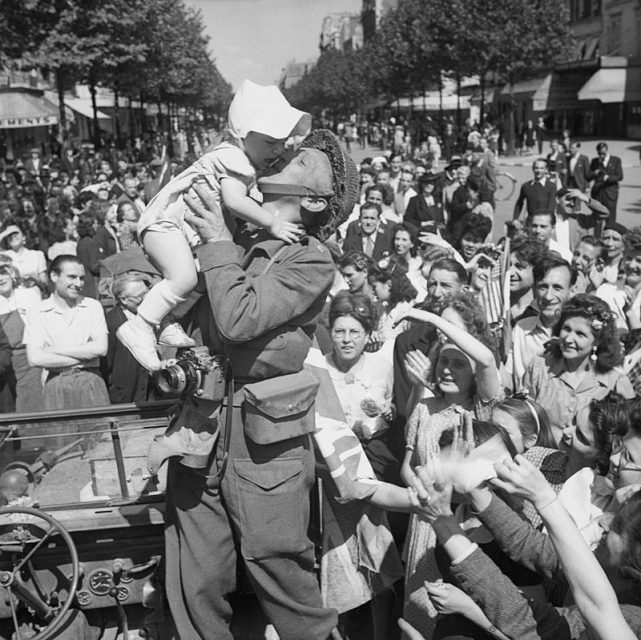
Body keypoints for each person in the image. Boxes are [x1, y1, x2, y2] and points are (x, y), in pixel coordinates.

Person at [162, 130, 359, 640]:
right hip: (199, 425)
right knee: (194, 582)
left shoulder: (310, 258)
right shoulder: (236, 228)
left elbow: (239, 319)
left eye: (297, 159)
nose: (280, 155)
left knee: (282, 574)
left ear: (314, 199)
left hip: (263, 444)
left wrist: (215, 243)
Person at [118, 79, 311, 372]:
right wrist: (272, 221)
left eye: (281, 142)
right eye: (270, 143)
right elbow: (235, 201)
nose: (276, 150)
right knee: (183, 278)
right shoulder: (237, 160)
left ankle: (167, 319)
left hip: (175, 228)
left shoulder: (234, 155)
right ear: (243, 135)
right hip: (166, 225)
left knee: (198, 277)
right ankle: (141, 325)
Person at [522, 294, 634, 444]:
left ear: (598, 341)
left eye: (580, 334)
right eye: (566, 329)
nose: (568, 339)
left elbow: (629, 437)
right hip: (539, 459)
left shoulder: (615, 382)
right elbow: (524, 420)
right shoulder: (539, 367)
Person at [23, 255, 110, 410]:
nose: (78, 284)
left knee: (100, 432)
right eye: (72, 277)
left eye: (82, 278)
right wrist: (87, 357)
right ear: (54, 276)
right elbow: (35, 359)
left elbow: (101, 348)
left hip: (91, 381)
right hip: (56, 384)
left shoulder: (93, 306)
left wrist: (54, 350)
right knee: (62, 433)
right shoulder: (37, 312)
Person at [504, 254, 575, 389]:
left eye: (557, 288)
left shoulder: (580, 335)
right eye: (543, 287)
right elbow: (508, 381)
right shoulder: (521, 328)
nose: (548, 296)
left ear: (571, 291)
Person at [102, 273, 153, 404]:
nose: (146, 299)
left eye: (147, 293)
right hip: (124, 399)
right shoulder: (112, 323)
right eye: (140, 296)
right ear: (123, 300)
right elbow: (106, 366)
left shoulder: (149, 316)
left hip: (148, 396)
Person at [0, 264, 43, 412]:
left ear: (12, 274)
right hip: (5, 364)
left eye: (3, 272)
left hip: (29, 359)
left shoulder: (29, 295)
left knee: (33, 404)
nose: (0, 278)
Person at [512, 159, 557, 227]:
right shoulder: (526, 186)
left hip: (544, 223)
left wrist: (548, 223)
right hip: (530, 223)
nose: (538, 171)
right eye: (536, 168)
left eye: (541, 168)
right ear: (533, 169)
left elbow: (551, 207)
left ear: (546, 170)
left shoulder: (551, 186)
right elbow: (519, 202)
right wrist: (515, 218)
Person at [588, 142, 623, 221]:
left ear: (607, 150)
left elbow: (620, 176)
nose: (601, 156)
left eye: (603, 153)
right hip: (597, 194)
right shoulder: (595, 161)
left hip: (610, 193)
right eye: (599, 153)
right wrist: (594, 173)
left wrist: (609, 177)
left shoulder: (616, 160)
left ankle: (610, 233)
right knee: (597, 218)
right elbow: (588, 177)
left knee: (610, 218)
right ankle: (596, 233)